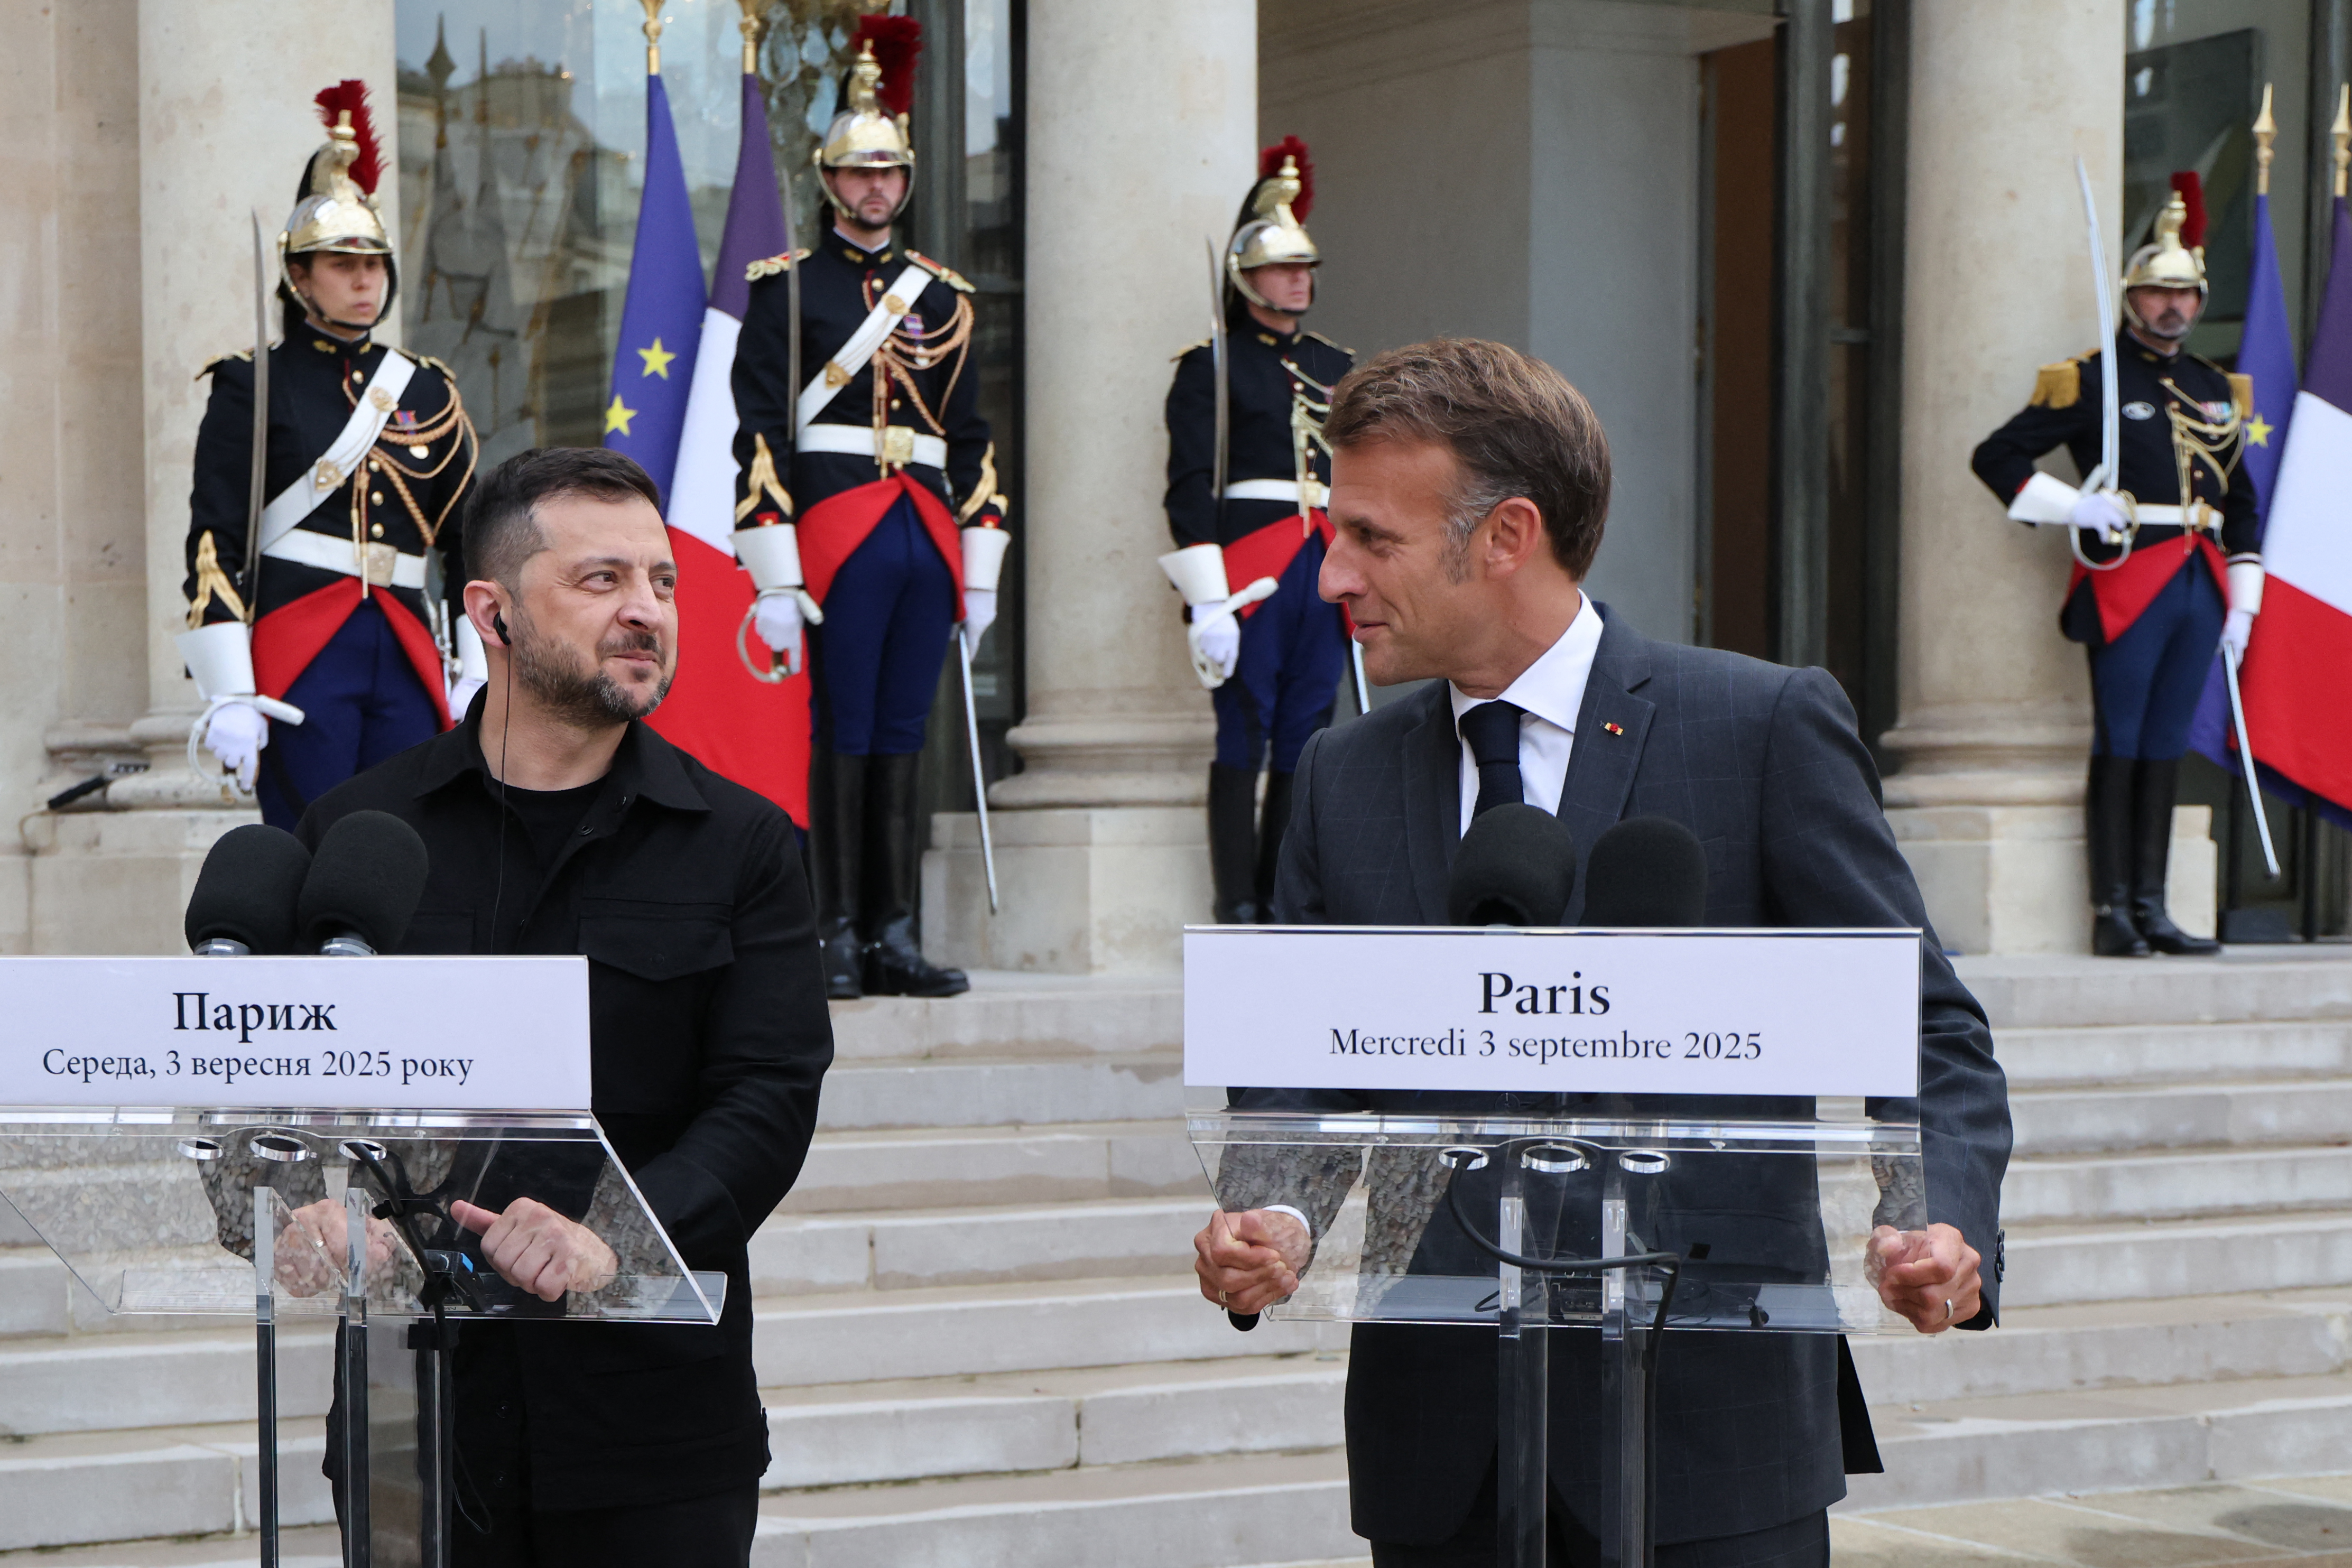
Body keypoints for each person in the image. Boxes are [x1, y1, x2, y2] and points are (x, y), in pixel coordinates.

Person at [1190, 339, 2012, 1566]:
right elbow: (1299, 1064)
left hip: (1711, 1437)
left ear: (1505, 535)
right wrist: (1272, 1211)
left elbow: (1918, 1021)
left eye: (1371, 537)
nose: (1328, 577)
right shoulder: (1339, 770)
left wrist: (1932, 1219)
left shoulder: (1757, 726)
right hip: (1443, 1450)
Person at [296, 446, 834, 1566]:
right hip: (410, 1408)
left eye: (663, 581)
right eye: (603, 581)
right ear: (490, 611)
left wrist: (614, 1233)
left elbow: (767, 1096)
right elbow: (278, 1082)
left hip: (649, 1422)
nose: (647, 611)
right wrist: (300, 1200)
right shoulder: (357, 836)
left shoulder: (745, 844)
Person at [729, 16, 1008, 1000]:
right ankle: (832, 930)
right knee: (842, 734)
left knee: (903, 737)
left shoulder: (946, 299)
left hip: (923, 533)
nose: (875, 187)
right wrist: (774, 568)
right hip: (835, 530)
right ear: (828, 181)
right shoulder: (786, 291)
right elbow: (758, 432)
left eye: (888, 171)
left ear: (908, 178)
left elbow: (970, 438)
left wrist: (979, 569)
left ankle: (894, 931)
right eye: (858, 173)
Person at [178, 81, 480, 830]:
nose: (363, 281)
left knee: (409, 841)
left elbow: (469, 543)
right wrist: (228, 689)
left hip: (409, 644)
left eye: (373, 265)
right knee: (308, 839)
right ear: (299, 277)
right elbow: (216, 539)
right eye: (341, 265)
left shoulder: (427, 387)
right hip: (300, 645)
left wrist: (478, 671)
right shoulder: (252, 383)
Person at [1971, 178, 2258, 957]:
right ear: (2133, 299)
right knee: (2122, 738)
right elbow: (1994, 455)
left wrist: (2246, 601)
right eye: (2157, 293)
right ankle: (2111, 913)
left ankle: (2153, 907)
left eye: (2184, 294)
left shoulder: (2211, 388)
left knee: (2166, 743)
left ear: (2199, 302)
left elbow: (2239, 499)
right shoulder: (2092, 379)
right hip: (2132, 576)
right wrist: (2074, 507)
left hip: (2202, 580)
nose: (2171, 307)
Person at [1163, 137, 1356, 922]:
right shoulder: (1210, 365)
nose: (1299, 279)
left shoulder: (1338, 365)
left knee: (1308, 737)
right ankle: (1235, 897)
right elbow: (1187, 483)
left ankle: (1286, 893)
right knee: (1243, 736)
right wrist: (1209, 599)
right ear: (1248, 279)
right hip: (1252, 569)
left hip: (1324, 563)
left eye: (1305, 267)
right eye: (1283, 268)